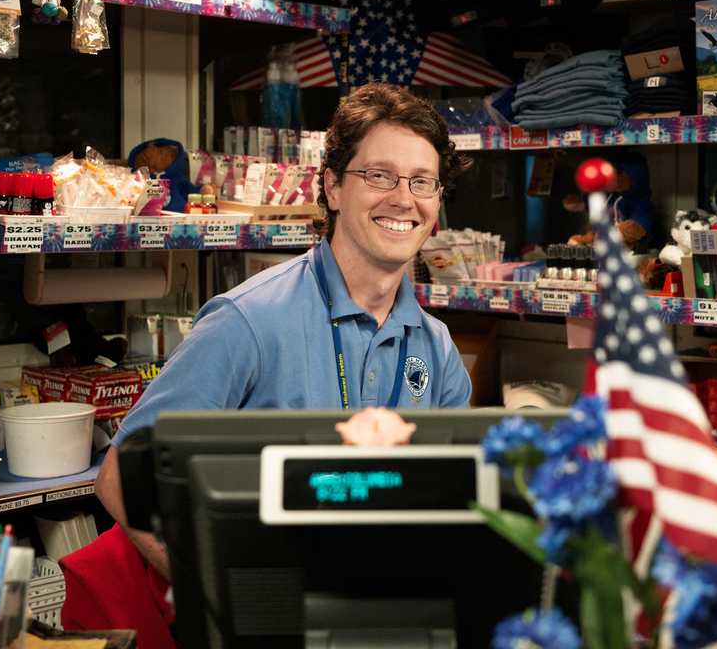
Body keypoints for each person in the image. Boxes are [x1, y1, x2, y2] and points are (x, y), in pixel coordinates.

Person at [94, 82, 475, 580]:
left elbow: (447, 499)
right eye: (380, 175)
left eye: (422, 182)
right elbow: (121, 478)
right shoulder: (250, 320)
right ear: (334, 187)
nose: (404, 200)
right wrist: (220, 600)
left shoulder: (436, 348)